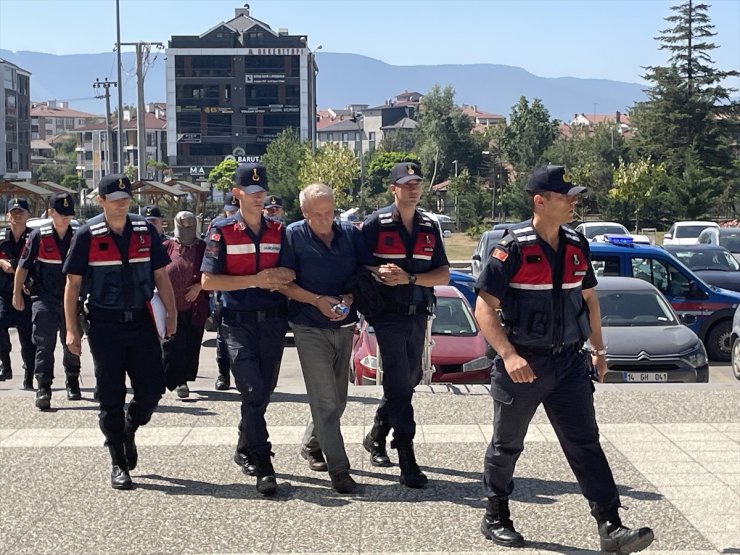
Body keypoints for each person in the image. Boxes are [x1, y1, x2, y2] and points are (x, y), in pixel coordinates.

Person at [474, 165, 654, 552]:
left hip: (570, 363)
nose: (573, 202)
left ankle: (611, 526)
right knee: (507, 445)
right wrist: (508, 355)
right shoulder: (513, 247)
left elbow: (590, 300)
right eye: (565, 196)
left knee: (585, 443)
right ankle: (495, 515)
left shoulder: (576, 243)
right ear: (540, 201)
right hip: (524, 364)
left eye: (574, 196)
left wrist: (600, 351)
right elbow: (483, 308)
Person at [63, 174, 177, 490]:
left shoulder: (144, 231)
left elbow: (161, 276)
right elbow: (71, 286)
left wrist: (171, 313)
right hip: (104, 324)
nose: (122, 202)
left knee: (152, 389)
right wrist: (72, 331)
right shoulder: (87, 234)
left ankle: (130, 427)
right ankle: (118, 462)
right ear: (101, 200)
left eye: (125, 196)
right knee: (111, 394)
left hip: (141, 320)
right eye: (114, 197)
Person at [201, 162, 294, 496]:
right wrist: (255, 280)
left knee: (262, 394)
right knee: (252, 391)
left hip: (272, 321)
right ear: (236, 194)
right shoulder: (221, 229)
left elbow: (291, 272)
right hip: (237, 323)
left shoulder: (279, 231)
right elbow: (208, 280)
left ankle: (243, 446)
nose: (259, 199)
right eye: (252, 193)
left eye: (262, 192)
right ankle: (263, 462)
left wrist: (284, 277)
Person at [359, 162, 450, 488]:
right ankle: (407, 458)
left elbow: (444, 274)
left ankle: (376, 434)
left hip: (419, 313)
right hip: (388, 314)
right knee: (399, 381)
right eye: (406, 184)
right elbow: (357, 263)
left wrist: (410, 277)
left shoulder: (429, 225)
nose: (413, 188)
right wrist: (377, 272)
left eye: (417, 183)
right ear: (393, 189)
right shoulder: (375, 224)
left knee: (407, 380)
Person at [279, 183, 362, 494]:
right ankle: (340, 470)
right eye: (318, 214)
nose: (326, 220)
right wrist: (316, 300)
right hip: (308, 326)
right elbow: (284, 284)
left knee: (339, 401)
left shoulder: (350, 234)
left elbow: (362, 276)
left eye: (330, 212)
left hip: (345, 325)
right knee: (325, 401)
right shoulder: (292, 235)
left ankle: (312, 444)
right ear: (304, 213)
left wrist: (349, 299)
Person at [13, 192, 81, 409]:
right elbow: (23, 266)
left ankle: (73, 382)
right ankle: (44, 387)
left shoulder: (78, 236)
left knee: (72, 342)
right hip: (45, 297)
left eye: (69, 215)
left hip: (72, 299)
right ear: (51, 213)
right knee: (44, 343)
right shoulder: (38, 236)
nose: (65, 219)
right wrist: (16, 294)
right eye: (61, 214)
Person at [162, 211, 209, 398]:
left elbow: (213, 271)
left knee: (191, 343)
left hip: (195, 306)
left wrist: (198, 287)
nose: (187, 228)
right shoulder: (167, 246)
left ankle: (185, 378)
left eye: (190, 224)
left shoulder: (203, 247)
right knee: (174, 345)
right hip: (170, 305)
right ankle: (176, 381)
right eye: (183, 224)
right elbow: (157, 272)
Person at [0, 198, 36, 388]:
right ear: (8, 216)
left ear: (28, 215)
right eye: (13, 212)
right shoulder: (1, 238)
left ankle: (29, 374)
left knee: (27, 336)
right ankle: (5, 365)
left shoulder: (34, 237)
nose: (17, 215)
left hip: (27, 293)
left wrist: (14, 267)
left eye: (21, 211)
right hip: (4, 293)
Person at [213, 193, 240, 391]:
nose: (231, 214)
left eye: (234, 211)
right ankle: (223, 374)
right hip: (222, 295)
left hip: (241, 296)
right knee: (222, 339)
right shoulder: (218, 229)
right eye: (228, 211)